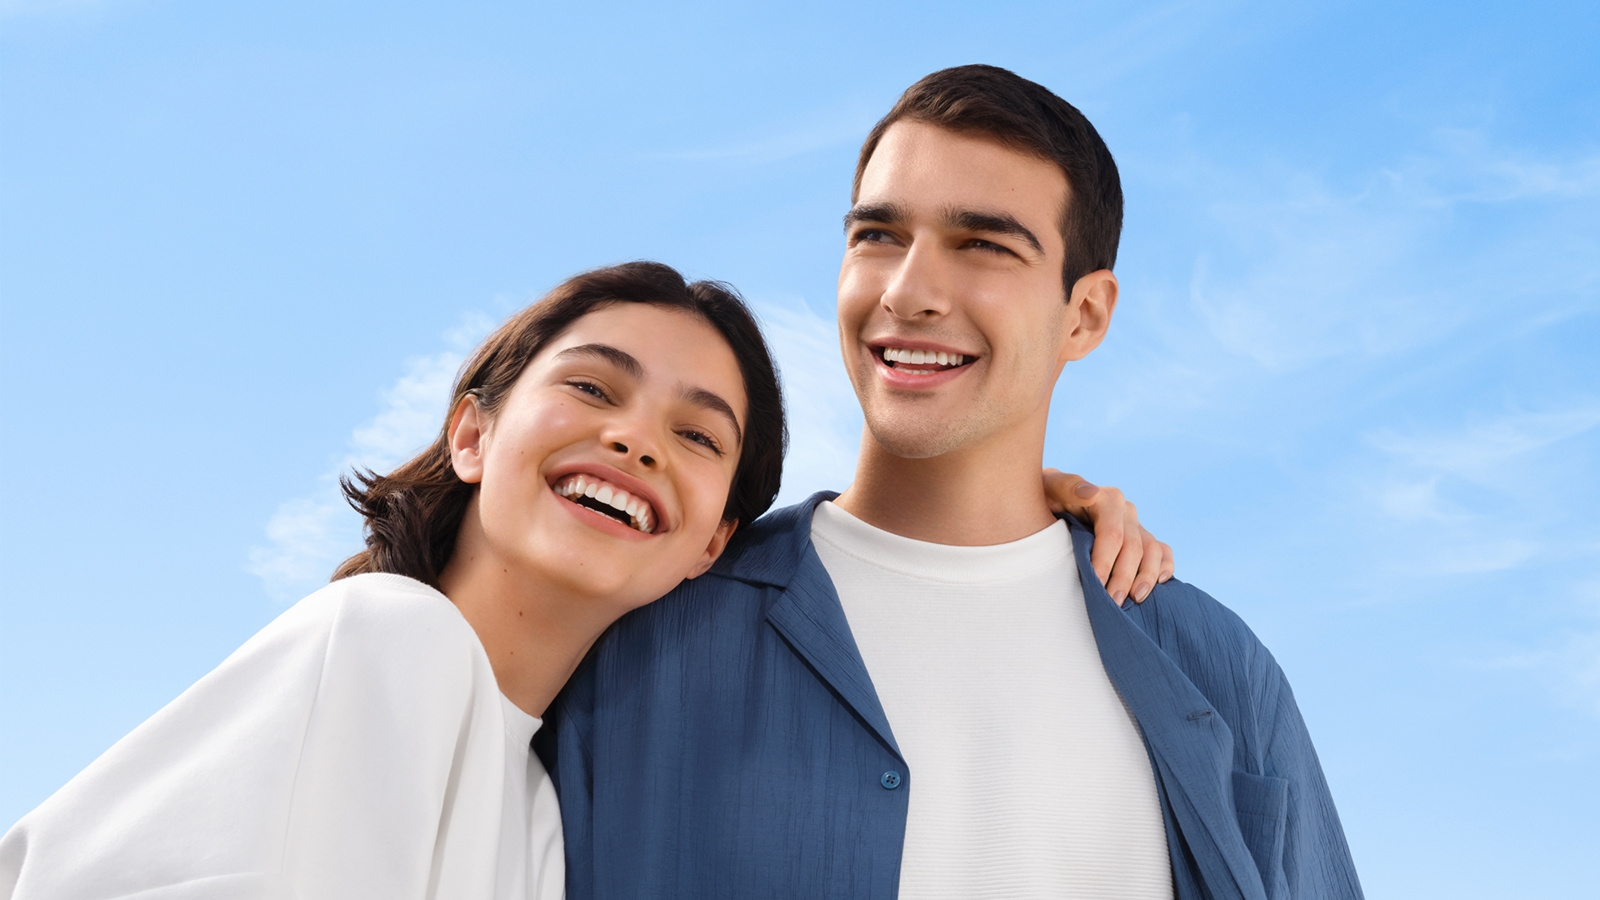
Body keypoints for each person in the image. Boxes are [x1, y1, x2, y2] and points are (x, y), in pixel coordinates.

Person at [0, 261, 1161, 900]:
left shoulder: (550, 811)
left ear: (711, 544)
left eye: (696, 438)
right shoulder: (387, 640)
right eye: (594, 389)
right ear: (471, 435)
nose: (635, 440)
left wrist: (1010, 509)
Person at [543, 67, 1365, 899]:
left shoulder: (1220, 671)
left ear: (1084, 315)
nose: (909, 293)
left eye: (983, 245)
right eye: (878, 235)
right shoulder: (648, 631)